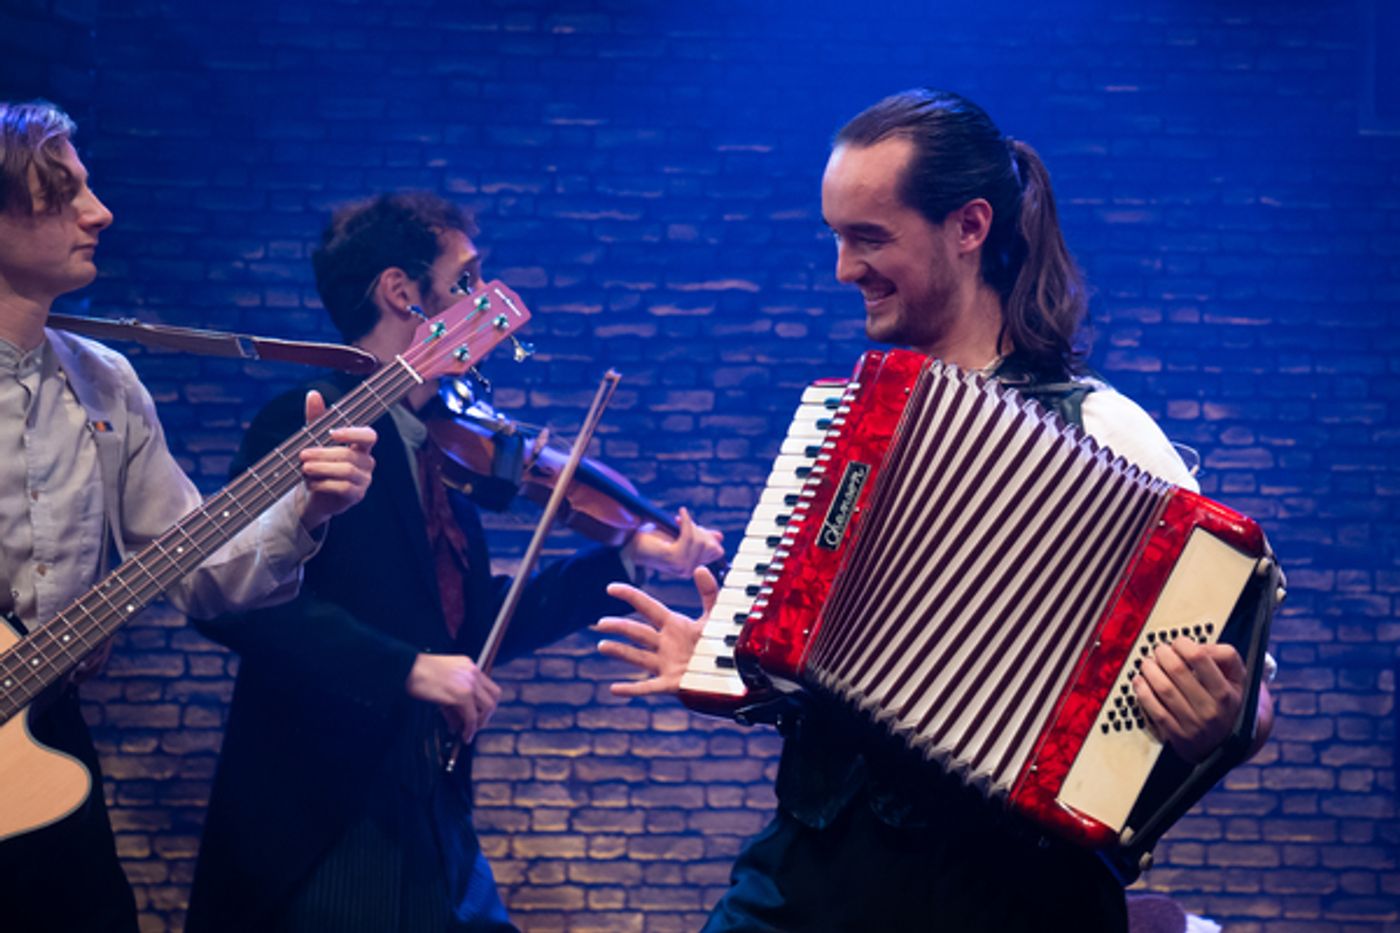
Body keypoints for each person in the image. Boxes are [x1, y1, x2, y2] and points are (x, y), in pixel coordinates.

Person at [596, 89, 1276, 932]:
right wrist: (740, 663)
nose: (844, 269)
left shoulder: (1101, 428)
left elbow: (1247, 692)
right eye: (837, 237)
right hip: (811, 874)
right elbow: (826, 659)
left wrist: (1223, 713)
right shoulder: (842, 426)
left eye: (869, 237)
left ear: (969, 226)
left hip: (1011, 894)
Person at [185, 191, 725, 932]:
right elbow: (232, 602)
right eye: (466, 281)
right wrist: (407, 666)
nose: (483, 301)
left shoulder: (433, 441)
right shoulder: (309, 417)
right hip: (330, 813)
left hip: (428, 798)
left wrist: (629, 553)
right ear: (402, 292)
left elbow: (474, 623)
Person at [0, 100, 376, 933]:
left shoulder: (107, 384)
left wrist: (307, 507)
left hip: (42, 736)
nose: (100, 213)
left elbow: (201, 576)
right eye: (61, 195)